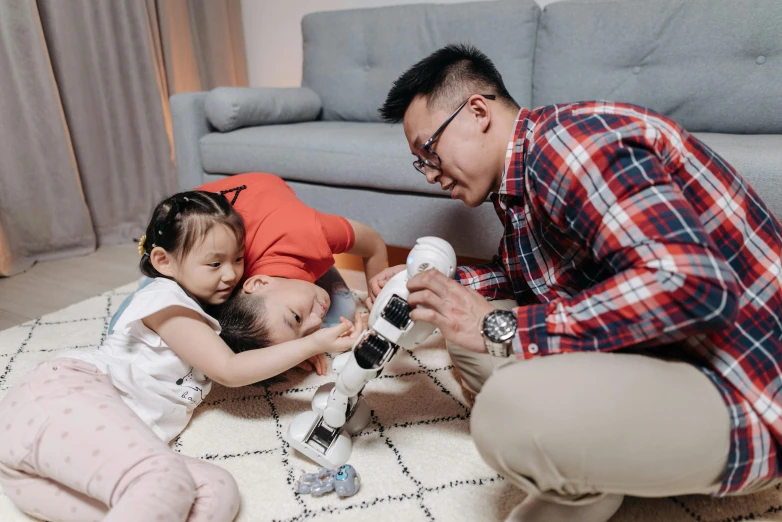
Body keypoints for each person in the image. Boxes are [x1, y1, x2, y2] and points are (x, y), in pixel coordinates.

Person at [371, 43, 782, 522]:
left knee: (505, 410)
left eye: (428, 150)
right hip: (661, 354)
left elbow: (692, 286)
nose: (430, 174)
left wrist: (500, 329)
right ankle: (590, 468)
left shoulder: (571, 147)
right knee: (463, 330)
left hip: (747, 390)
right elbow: (526, 278)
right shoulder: (521, 176)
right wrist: (444, 287)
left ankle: (581, 463)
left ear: (477, 111)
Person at [0, 190, 365, 522]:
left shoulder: (211, 319)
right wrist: (313, 344)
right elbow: (229, 369)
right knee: (163, 478)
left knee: (217, 491)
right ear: (164, 261)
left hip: (55, 463)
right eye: (214, 263)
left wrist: (299, 349)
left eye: (238, 259)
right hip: (64, 396)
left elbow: (249, 350)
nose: (231, 274)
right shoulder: (166, 301)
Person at [110, 172, 388, 375]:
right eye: (299, 321)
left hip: (251, 202)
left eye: (297, 319)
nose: (314, 324)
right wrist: (299, 347)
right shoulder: (216, 270)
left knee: (345, 311)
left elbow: (373, 243)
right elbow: (226, 363)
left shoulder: (313, 233)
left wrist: (381, 303)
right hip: (200, 221)